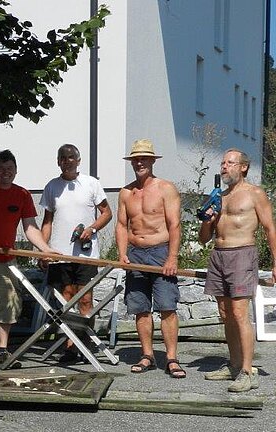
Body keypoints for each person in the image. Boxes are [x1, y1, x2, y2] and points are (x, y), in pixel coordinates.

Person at [198, 148, 276, 392]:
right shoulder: (218, 197)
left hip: (242, 254)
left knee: (240, 313)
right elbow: (203, 238)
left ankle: (247, 372)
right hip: (218, 255)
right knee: (225, 313)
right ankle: (233, 365)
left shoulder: (255, 193)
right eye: (223, 163)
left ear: (243, 167)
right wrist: (207, 220)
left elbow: (270, 228)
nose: (224, 166)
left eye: (230, 163)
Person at [0, 149, 58, 367]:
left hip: (5, 260)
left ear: (16, 171)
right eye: (1, 169)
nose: (5, 173)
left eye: (9, 169)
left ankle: (2, 350)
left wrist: (45, 249)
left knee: (7, 305)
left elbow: (30, 227)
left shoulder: (22, 195)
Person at [115, 139, 185, 378]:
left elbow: (175, 225)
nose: (140, 163)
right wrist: (122, 254)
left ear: (153, 161)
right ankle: (147, 355)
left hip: (160, 252)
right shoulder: (126, 192)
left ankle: (172, 358)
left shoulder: (166, 188)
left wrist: (172, 258)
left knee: (167, 306)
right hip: (135, 254)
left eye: (144, 158)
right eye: (136, 159)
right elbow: (121, 225)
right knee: (140, 308)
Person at [40, 144, 113, 363]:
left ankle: (85, 344)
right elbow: (47, 222)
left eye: (71, 157)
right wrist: (43, 250)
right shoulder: (52, 187)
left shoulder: (91, 183)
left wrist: (91, 229)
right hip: (59, 254)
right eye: (63, 157)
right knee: (66, 300)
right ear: (58, 161)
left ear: (78, 161)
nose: (67, 161)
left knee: (85, 299)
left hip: (85, 254)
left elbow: (107, 213)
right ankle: (70, 346)